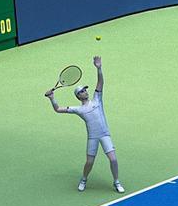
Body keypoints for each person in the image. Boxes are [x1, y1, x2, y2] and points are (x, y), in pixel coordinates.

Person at [47, 56, 122, 194]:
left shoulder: (97, 99)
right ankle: (84, 179)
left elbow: (100, 83)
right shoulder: (78, 109)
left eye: (85, 90)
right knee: (89, 163)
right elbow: (58, 109)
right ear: (78, 96)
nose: (85, 92)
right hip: (93, 137)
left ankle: (116, 181)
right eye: (82, 91)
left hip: (105, 134)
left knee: (113, 159)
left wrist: (99, 68)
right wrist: (52, 98)